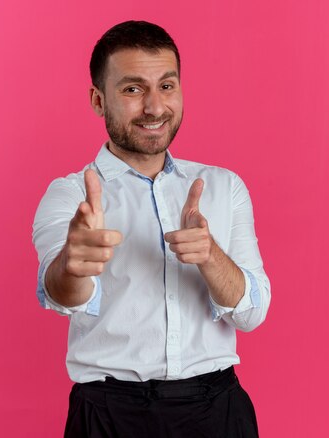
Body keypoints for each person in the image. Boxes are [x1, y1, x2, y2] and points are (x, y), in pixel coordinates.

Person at [32, 20, 271, 437]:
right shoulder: (70, 196)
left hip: (217, 411)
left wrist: (210, 255)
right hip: (108, 416)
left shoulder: (223, 187)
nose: (155, 107)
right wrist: (73, 266)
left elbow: (252, 314)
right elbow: (60, 294)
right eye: (132, 89)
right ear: (97, 99)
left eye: (166, 86)